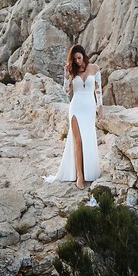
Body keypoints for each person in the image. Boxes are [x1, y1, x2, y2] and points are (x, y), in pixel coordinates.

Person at [50, 44, 102, 188]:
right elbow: (66, 91)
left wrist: (100, 106)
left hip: (90, 107)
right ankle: (80, 176)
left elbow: (98, 89)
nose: (77, 61)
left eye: (79, 58)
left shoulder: (95, 68)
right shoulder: (72, 71)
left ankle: (89, 171)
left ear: (84, 56)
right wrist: (66, 76)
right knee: (78, 141)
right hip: (76, 107)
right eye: (75, 59)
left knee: (88, 140)